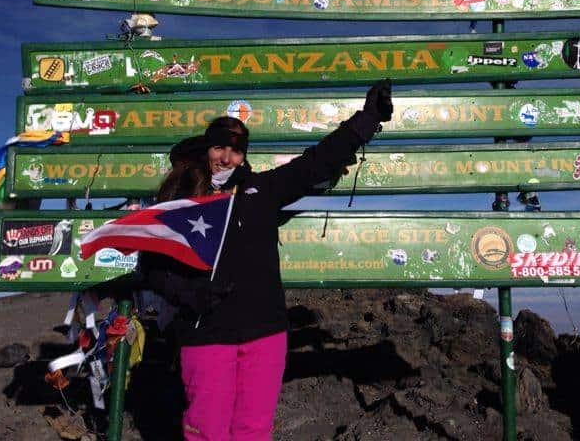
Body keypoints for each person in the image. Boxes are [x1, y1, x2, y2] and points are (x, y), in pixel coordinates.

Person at [143, 78, 394, 440]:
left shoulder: (262, 191)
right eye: (219, 148)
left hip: (266, 334)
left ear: (244, 155)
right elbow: (151, 269)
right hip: (206, 333)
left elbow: (318, 161)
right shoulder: (182, 202)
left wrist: (368, 119)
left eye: (236, 150)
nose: (226, 158)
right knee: (205, 430)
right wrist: (189, 296)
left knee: (253, 430)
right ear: (206, 149)